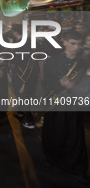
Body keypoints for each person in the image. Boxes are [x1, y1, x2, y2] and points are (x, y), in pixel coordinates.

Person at [43, 30, 88, 182]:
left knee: (73, 137)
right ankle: (54, 161)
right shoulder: (52, 61)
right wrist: (58, 84)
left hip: (73, 105)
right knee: (55, 134)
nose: (76, 47)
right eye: (72, 43)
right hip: (56, 104)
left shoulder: (83, 64)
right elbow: (46, 83)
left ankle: (75, 167)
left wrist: (76, 87)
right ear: (64, 42)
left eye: (79, 44)